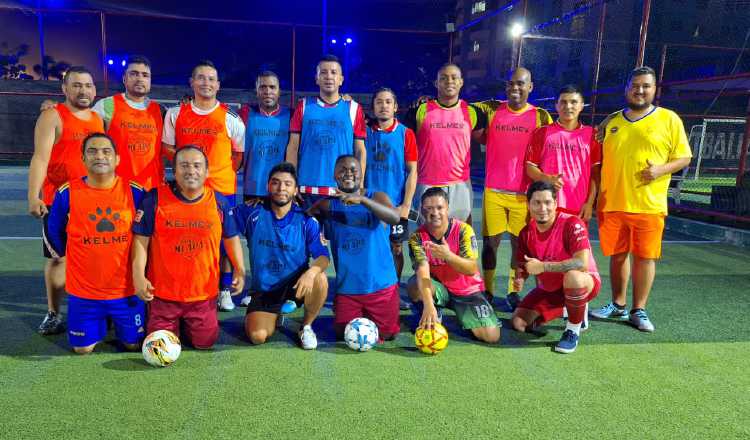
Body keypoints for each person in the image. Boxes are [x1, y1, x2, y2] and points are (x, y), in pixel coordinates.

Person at [590, 66, 692, 332]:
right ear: (627, 88)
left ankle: (639, 309)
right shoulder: (611, 122)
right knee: (617, 256)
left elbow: (684, 157)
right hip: (612, 202)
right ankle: (617, 305)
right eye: (635, 85)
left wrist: (659, 170)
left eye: (646, 85)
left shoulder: (669, 119)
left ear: (654, 89)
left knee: (645, 257)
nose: (640, 90)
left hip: (649, 204)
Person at [131, 146, 245, 349]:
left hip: (203, 295)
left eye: (197, 165)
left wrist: (240, 269)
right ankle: (171, 323)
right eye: (184, 165)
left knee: (205, 343)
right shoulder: (154, 199)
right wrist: (138, 275)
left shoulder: (219, 203)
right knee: (160, 347)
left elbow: (231, 237)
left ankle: (186, 325)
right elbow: (140, 241)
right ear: (173, 171)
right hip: (163, 295)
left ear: (207, 171)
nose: (191, 170)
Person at [46, 133, 146, 353]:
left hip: (126, 291)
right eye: (92, 151)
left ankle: (113, 319)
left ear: (117, 159)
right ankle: (99, 321)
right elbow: (53, 230)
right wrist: (70, 256)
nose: (99, 156)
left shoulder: (135, 192)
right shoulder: (66, 193)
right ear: (82, 159)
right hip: (84, 292)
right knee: (83, 350)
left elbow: (147, 235)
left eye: (106, 151)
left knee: (134, 345)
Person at [162, 60, 246, 311]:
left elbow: (238, 155)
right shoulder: (176, 114)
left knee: (224, 241)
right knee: (187, 240)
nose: (206, 83)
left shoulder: (230, 117)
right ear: (192, 82)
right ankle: (189, 286)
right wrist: (186, 170)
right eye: (201, 78)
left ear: (218, 85)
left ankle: (224, 289)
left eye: (211, 78)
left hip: (221, 189)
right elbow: (168, 148)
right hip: (186, 190)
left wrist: (215, 173)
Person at [28, 65, 104, 335]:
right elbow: (40, 157)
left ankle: (93, 308)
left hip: (92, 203)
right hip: (59, 203)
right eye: (77, 85)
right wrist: (33, 195)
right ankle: (53, 313)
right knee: (59, 259)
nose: (83, 90)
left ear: (95, 90)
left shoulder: (97, 119)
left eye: (88, 85)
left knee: (95, 256)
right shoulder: (53, 116)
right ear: (65, 89)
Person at [473, 67, 552, 311]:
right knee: (490, 244)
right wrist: (428, 100)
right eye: (510, 84)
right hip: (494, 191)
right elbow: (461, 107)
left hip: (524, 195)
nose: (515, 88)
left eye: (520, 84)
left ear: (531, 86)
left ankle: (513, 292)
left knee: (520, 245)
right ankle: (487, 290)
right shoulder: (492, 110)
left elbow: (551, 146)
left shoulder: (541, 116)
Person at [234, 163, 329, 349]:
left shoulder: (306, 219)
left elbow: (323, 257)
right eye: (275, 183)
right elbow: (223, 224)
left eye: (287, 184)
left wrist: (310, 273)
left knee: (320, 278)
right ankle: (276, 314)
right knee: (257, 336)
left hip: (297, 285)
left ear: (295, 190)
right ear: (268, 186)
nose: (281, 188)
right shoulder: (252, 212)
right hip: (266, 289)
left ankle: (306, 327)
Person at [308, 155, 402, 341]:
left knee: (387, 334)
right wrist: (317, 230)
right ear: (335, 175)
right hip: (348, 289)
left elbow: (394, 217)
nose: (348, 173)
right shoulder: (327, 205)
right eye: (342, 170)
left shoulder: (376, 196)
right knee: (343, 334)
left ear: (361, 174)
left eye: (353, 170)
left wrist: (362, 200)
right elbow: (304, 216)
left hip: (381, 287)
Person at [39, 56, 165, 190]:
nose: (140, 79)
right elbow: (78, 118)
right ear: (124, 78)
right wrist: (57, 108)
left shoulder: (160, 111)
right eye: (133, 74)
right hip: (115, 188)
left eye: (145, 75)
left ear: (150, 80)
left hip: (152, 188)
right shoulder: (107, 105)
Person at [511, 181, 601, 354]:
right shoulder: (526, 233)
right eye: (536, 202)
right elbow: (524, 264)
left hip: (583, 282)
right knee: (519, 323)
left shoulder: (572, 223)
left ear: (556, 203)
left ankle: (572, 330)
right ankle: (572, 307)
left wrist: (543, 266)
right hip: (551, 288)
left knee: (573, 276)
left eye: (547, 202)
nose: (542, 208)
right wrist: (520, 278)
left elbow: (581, 263)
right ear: (528, 205)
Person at [407, 188, 500, 344]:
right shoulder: (417, 237)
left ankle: (463, 313)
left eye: (439, 207)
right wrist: (428, 305)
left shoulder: (464, 230)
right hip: (440, 288)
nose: (434, 212)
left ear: (447, 208)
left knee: (491, 336)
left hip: (467, 291)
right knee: (414, 285)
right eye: (428, 208)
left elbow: (471, 269)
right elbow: (422, 272)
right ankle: (435, 310)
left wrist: (448, 256)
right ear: (422, 211)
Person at [405, 63, 485, 223]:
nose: (449, 81)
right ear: (436, 83)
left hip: (460, 184)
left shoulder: (472, 112)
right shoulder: (419, 110)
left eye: (454, 77)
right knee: (428, 238)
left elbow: (484, 138)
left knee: (459, 235)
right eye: (444, 78)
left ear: (461, 82)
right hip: (427, 184)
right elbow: (405, 144)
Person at [286, 55, 367, 205]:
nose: (329, 76)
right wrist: (290, 183)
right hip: (306, 190)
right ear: (316, 79)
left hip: (342, 191)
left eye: (333, 72)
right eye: (323, 72)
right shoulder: (303, 106)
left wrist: (358, 186)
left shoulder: (354, 109)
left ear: (341, 79)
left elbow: (360, 151)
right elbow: (292, 147)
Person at [364, 87, 418, 309]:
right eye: (379, 102)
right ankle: (368, 290)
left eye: (388, 102)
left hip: (396, 207)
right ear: (373, 107)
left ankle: (392, 292)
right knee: (370, 249)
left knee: (396, 249)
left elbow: (412, 171)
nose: (383, 105)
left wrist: (406, 204)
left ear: (395, 107)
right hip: (369, 205)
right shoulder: (364, 132)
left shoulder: (406, 134)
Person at [526, 84, 601, 220]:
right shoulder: (542, 132)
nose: (568, 106)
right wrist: (546, 178)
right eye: (563, 102)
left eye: (573, 102)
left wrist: (589, 204)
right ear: (556, 105)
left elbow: (595, 174)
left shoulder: (592, 135)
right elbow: (530, 167)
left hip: (578, 209)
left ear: (582, 105)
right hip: (546, 208)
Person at [238, 71, 290, 202]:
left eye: (272, 87)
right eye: (263, 87)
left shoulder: (292, 116)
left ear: (279, 91)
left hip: (281, 190)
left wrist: (344, 98)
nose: (268, 91)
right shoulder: (244, 114)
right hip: (252, 190)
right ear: (256, 91)